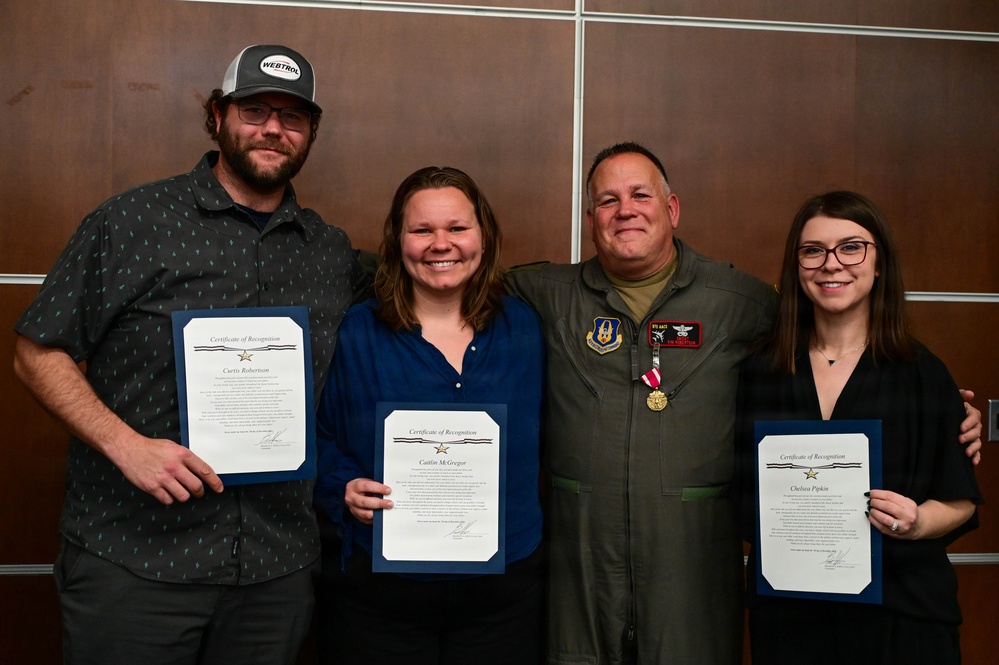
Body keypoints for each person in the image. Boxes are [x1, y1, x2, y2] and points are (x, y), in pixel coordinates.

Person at [506, 142, 983, 665]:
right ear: (591, 216)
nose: (626, 209)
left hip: (764, 583)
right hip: (607, 567)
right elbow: (459, 297)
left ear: (672, 209)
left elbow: (949, 482)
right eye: (608, 199)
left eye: (641, 194)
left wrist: (946, 412)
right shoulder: (542, 292)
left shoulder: (744, 304)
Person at [13, 45, 364, 665]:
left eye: (293, 117)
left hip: (274, 569)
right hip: (136, 561)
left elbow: (431, 281)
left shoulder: (329, 253)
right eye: (255, 110)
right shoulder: (132, 221)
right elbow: (36, 352)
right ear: (218, 114)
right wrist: (127, 446)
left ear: (310, 132)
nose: (273, 129)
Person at [735, 191, 981, 664]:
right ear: (795, 265)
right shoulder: (759, 372)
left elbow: (962, 501)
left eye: (851, 247)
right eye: (813, 251)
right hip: (790, 617)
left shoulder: (922, 373)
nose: (832, 264)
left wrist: (917, 522)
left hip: (902, 617)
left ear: (879, 261)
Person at [313, 166, 545, 665]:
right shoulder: (355, 333)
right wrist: (343, 487)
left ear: (483, 236)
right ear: (399, 241)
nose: (442, 244)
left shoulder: (524, 329)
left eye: (457, 228)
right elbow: (320, 436)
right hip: (380, 598)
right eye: (422, 230)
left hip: (503, 597)